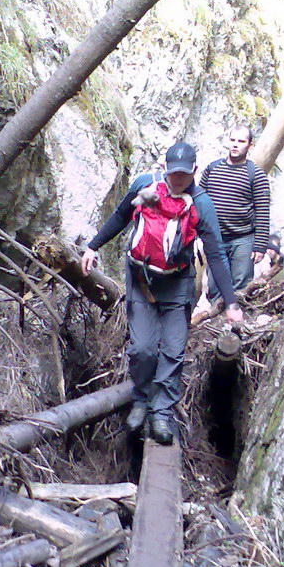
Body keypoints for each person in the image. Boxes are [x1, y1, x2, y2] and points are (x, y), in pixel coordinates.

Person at [81, 142, 244, 445]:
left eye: (183, 174)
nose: (177, 179)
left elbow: (216, 254)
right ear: (165, 168)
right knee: (142, 349)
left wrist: (231, 301)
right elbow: (119, 216)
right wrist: (93, 246)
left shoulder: (201, 204)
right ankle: (142, 398)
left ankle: (162, 412)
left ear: (194, 171)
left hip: (178, 283)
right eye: (173, 173)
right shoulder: (145, 184)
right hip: (141, 279)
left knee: (173, 349)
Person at [200, 125, 271, 300]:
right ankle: (215, 321)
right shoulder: (212, 169)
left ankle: (235, 323)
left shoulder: (256, 175)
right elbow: (199, 201)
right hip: (215, 238)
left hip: (243, 239)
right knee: (214, 285)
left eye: (241, 141)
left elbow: (262, 211)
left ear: (249, 145)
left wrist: (260, 245)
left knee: (241, 285)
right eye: (233, 140)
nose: (235, 145)